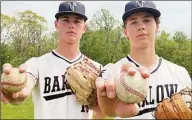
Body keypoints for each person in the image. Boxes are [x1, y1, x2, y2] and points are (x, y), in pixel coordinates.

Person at [1, 1, 151, 119]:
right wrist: (17, 91)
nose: (72, 25)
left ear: (84, 27)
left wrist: (100, 105)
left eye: (77, 21)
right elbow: (26, 82)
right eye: (66, 20)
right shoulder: (38, 64)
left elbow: (100, 115)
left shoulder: (98, 69)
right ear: (56, 24)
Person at [97, 1, 191, 119]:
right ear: (125, 31)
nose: (141, 26)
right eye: (134, 22)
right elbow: (103, 109)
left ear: (157, 26)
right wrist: (107, 110)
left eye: (147, 20)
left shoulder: (180, 73)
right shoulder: (114, 72)